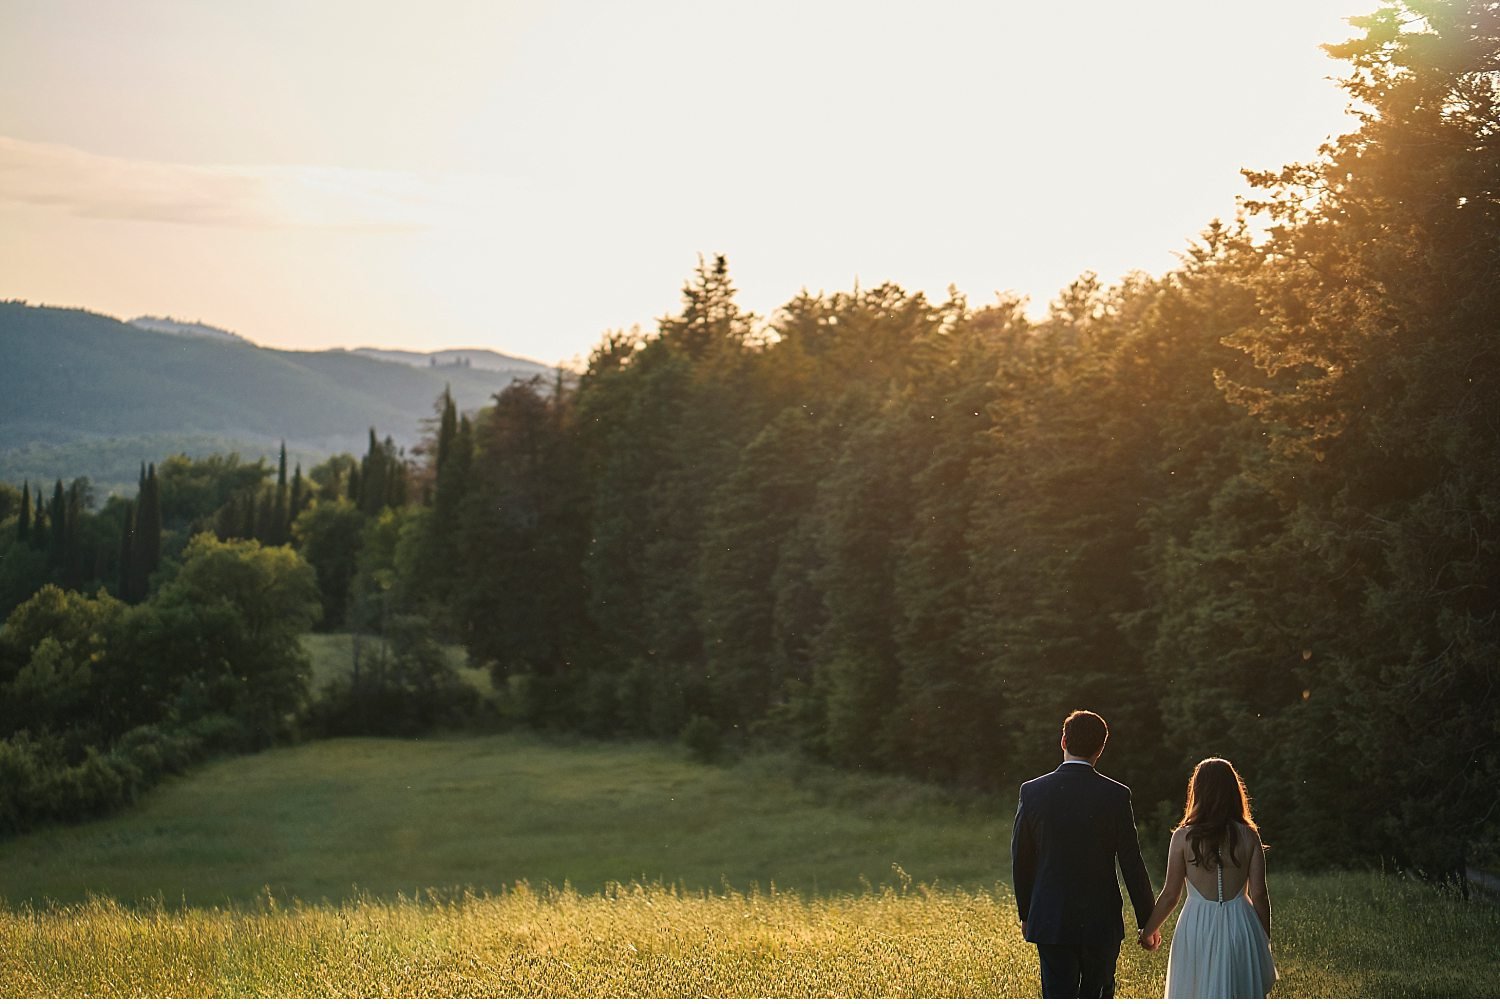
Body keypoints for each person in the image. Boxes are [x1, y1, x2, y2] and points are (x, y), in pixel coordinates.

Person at [1011, 709, 1158, 998]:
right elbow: (1131, 861)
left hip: (1050, 917)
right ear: (1101, 748)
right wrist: (1147, 921)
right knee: (1098, 993)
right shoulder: (1116, 795)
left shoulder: (1032, 792)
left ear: (1063, 740)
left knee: (1057, 994)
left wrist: (1026, 913)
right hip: (1100, 920)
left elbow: (1022, 858)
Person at [1137, 757, 1277, 998]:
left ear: (1197, 791)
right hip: (1241, 923)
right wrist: (1262, 939)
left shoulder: (1182, 837)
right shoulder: (1249, 835)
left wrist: (1148, 931)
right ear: (1234, 791)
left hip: (1196, 924)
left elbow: (1171, 894)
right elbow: (1260, 894)